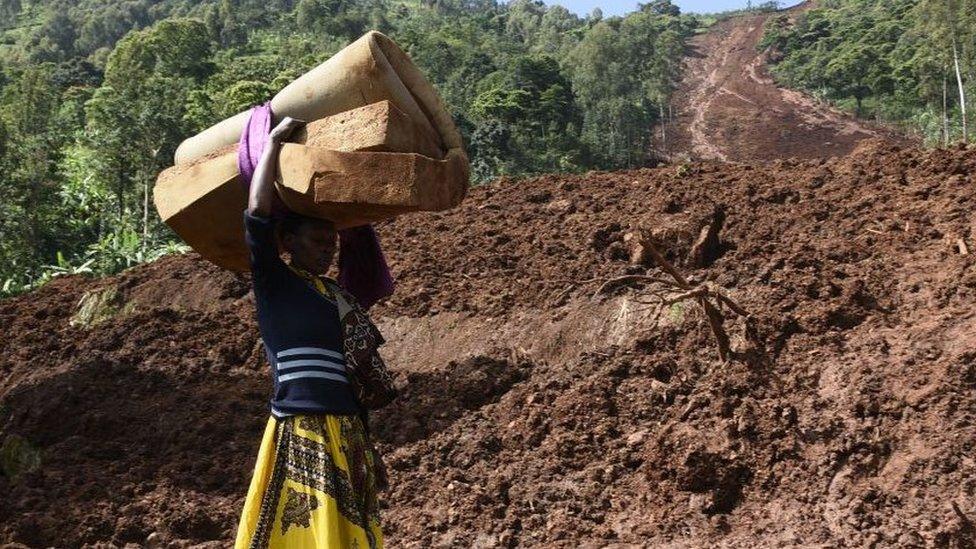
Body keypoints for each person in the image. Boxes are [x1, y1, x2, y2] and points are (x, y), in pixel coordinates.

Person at [234, 116, 384, 549]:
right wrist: (275, 144)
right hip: (299, 424)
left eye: (331, 244)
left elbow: (355, 374)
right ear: (288, 242)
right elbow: (257, 214)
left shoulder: (337, 297)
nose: (327, 250)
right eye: (318, 242)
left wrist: (369, 447)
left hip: (347, 429)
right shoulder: (276, 283)